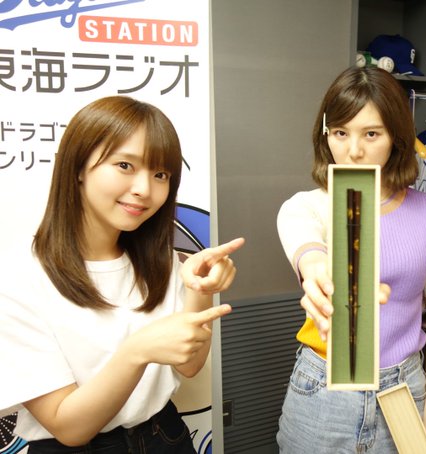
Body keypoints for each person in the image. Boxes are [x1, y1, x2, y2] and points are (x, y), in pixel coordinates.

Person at [0, 96, 244, 453]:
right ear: (78, 167)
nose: (144, 189)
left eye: (160, 174)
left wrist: (199, 288)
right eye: (125, 165)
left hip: (165, 436)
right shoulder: (19, 276)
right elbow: (70, 429)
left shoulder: (162, 263)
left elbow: (190, 365)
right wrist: (136, 352)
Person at [276, 66, 426, 453]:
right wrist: (319, 273)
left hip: (404, 389)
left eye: (371, 134)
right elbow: (309, 252)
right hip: (323, 391)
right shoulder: (306, 208)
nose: (353, 151)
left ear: (396, 137)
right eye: (340, 133)